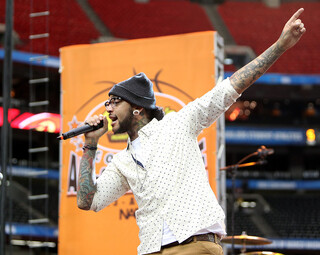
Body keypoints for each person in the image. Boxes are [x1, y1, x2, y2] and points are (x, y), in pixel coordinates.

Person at [77, 8, 306, 255]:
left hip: (195, 245)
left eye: (115, 101)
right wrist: (90, 145)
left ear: (136, 109)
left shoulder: (178, 124)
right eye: (107, 102)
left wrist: (280, 46)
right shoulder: (123, 161)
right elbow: (88, 202)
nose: (107, 108)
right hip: (151, 249)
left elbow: (231, 87)